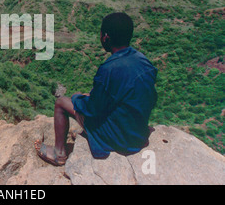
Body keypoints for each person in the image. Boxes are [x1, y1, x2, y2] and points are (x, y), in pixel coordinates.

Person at [35, 12, 158, 166]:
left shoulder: (109, 69)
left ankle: (59, 153)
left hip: (121, 139)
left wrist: (76, 98)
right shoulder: (144, 61)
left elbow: (93, 110)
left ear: (105, 37)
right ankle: (88, 129)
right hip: (138, 133)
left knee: (61, 103)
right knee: (89, 96)